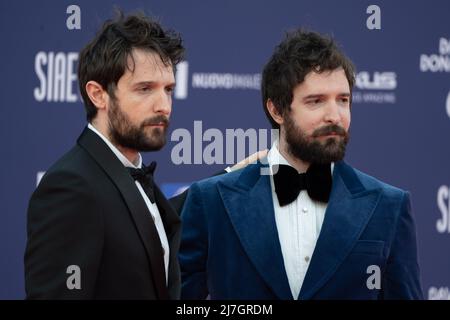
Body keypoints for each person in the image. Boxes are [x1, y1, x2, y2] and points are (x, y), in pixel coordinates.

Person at [179, 29, 424, 300]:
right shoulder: (212, 201)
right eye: (316, 101)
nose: (335, 115)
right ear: (277, 110)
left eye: (343, 100)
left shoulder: (388, 205)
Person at [24, 12, 185, 299]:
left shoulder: (129, 175)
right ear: (98, 95)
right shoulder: (71, 187)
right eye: (145, 88)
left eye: (169, 90)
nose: (164, 105)